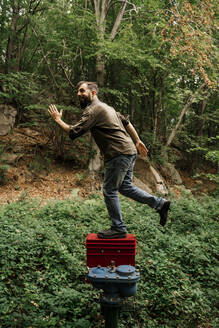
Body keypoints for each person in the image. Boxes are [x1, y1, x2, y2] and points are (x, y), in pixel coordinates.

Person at [48, 81, 170, 239]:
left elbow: (74, 132)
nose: (79, 94)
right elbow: (126, 122)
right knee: (125, 187)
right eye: (78, 92)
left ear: (93, 93)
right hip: (128, 151)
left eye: (82, 91)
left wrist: (58, 119)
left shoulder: (94, 110)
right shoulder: (107, 107)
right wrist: (137, 140)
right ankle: (159, 204)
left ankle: (118, 228)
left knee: (109, 189)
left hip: (119, 153)